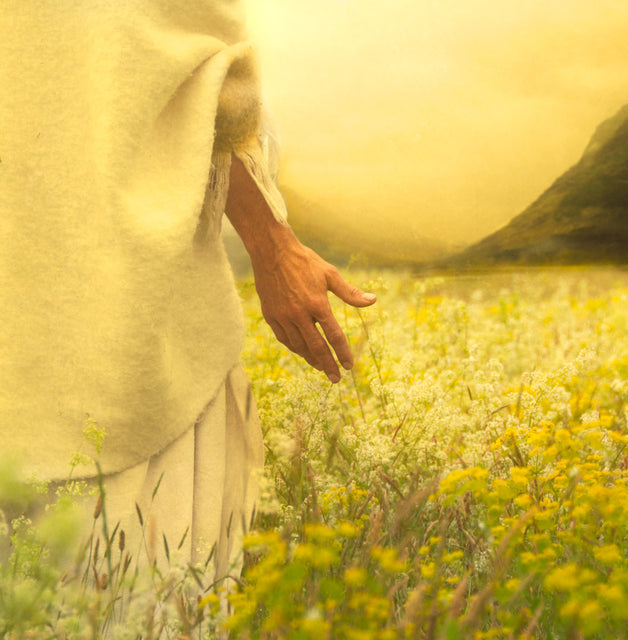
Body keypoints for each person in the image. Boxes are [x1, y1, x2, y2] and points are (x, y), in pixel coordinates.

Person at [0, 0, 375, 580]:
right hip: (120, 336)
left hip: (80, 325)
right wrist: (273, 245)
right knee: (138, 597)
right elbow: (204, 75)